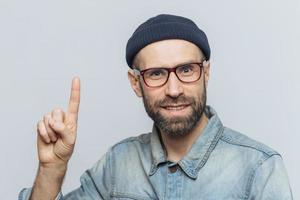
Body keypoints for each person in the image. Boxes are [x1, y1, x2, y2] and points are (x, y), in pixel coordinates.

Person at [19, 14, 293, 200]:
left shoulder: (259, 168)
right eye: (157, 73)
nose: (174, 90)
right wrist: (52, 168)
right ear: (136, 83)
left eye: (186, 69)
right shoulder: (117, 164)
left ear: (206, 73)